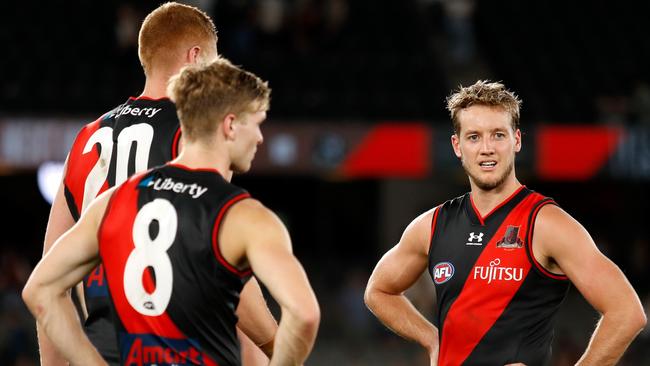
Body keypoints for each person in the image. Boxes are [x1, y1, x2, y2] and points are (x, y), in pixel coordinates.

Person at [24, 58, 320, 366]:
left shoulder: (113, 200)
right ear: (230, 125)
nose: (260, 137)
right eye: (256, 123)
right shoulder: (242, 216)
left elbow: (39, 290)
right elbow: (305, 314)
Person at [39, 3, 276, 365]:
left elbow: (50, 276)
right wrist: (280, 345)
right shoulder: (196, 135)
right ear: (195, 58)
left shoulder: (86, 140)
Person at [364, 80, 647, 366]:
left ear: (517, 140)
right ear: (457, 145)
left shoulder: (546, 223)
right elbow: (378, 291)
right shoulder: (432, 224)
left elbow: (626, 312)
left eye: (498, 135)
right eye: (474, 137)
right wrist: (432, 339)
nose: (486, 148)